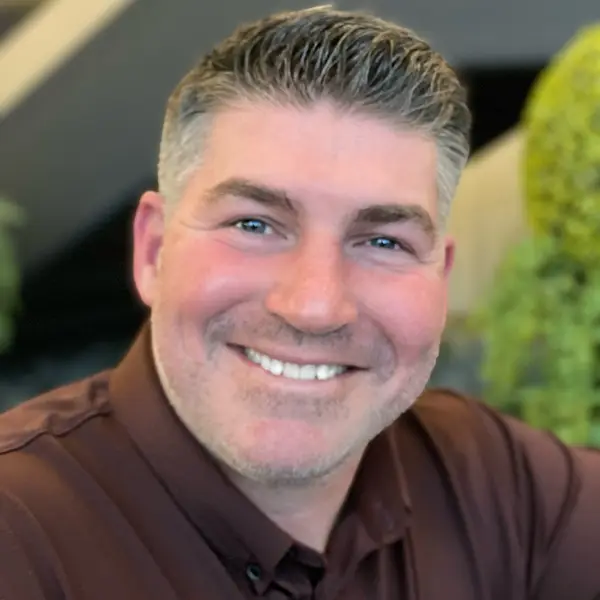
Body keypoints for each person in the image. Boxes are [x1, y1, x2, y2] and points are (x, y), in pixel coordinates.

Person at [0, 6, 598, 600]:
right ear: (154, 250)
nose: (314, 305)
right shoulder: (20, 534)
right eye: (255, 225)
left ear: (440, 275)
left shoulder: (493, 481)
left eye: (384, 241)